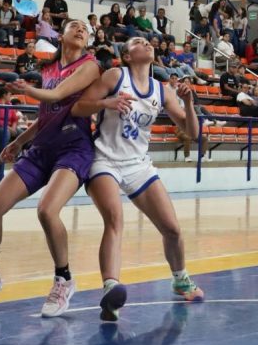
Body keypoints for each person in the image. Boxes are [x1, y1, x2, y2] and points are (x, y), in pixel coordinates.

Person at [0, 19, 102, 318]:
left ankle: (64, 279)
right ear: (61, 35)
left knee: (47, 210)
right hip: (41, 149)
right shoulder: (49, 70)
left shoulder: (90, 66)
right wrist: (20, 141)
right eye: (74, 25)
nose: (80, 29)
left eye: (85, 29)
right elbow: (47, 114)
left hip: (73, 149)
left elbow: (58, 96)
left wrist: (27, 90)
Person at [72, 36, 205, 322]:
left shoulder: (162, 89)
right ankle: (111, 289)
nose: (147, 43)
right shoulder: (115, 76)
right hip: (104, 159)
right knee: (114, 220)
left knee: (172, 229)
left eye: (148, 42)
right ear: (127, 56)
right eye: (139, 42)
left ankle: (180, 279)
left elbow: (192, 133)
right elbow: (79, 106)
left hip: (138, 165)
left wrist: (188, 102)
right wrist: (107, 102)